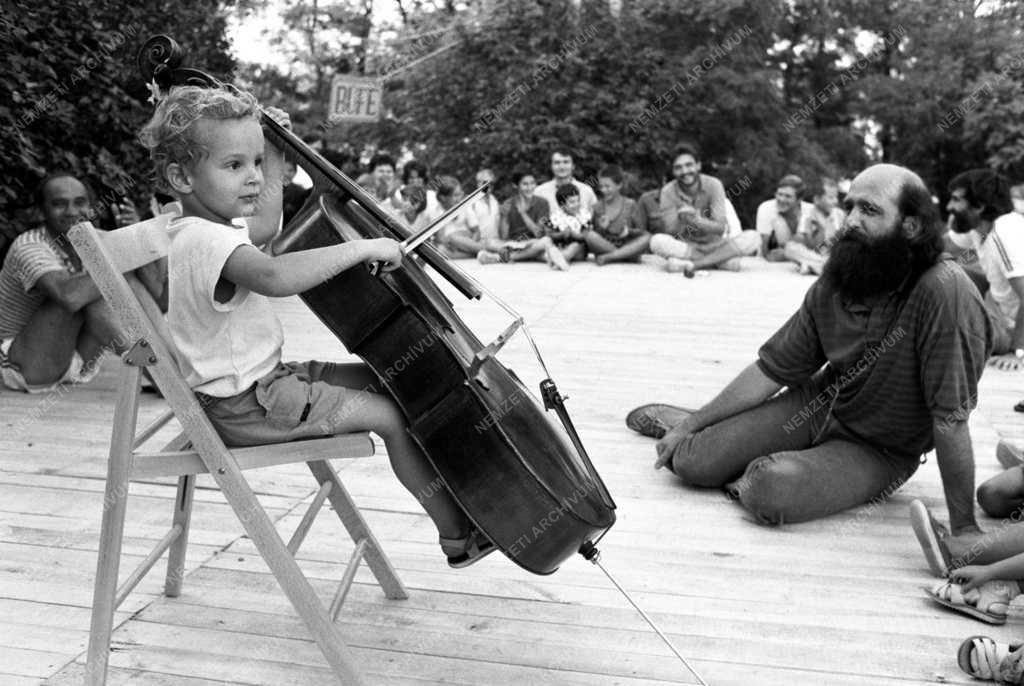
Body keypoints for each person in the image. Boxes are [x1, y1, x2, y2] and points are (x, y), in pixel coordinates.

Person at [137, 84, 493, 568]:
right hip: (245, 407)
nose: (253, 178)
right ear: (181, 176)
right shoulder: (203, 241)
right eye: (234, 165)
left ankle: (467, 488)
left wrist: (280, 153)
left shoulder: (208, 226)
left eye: (256, 162)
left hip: (268, 385)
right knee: (389, 416)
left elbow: (265, 226)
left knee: (394, 379)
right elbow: (275, 275)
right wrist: (363, 248)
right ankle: (457, 535)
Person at [626, 163, 992, 529]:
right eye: (850, 206)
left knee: (770, 489)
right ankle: (695, 423)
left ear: (910, 226)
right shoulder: (845, 275)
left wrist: (964, 529)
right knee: (693, 463)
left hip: (880, 449)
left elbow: (950, 421)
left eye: (869, 210)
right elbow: (771, 370)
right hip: (818, 405)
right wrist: (691, 425)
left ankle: (744, 446)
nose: (850, 221)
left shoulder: (944, 292)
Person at [0, 172, 144, 392]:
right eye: (59, 204)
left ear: (91, 207)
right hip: (22, 367)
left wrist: (138, 236)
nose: (72, 212)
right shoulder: (29, 245)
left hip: (74, 360)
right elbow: (70, 298)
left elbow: (160, 295)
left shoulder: (93, 239)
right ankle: (159, 374)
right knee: (90, 288)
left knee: (118, 277)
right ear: (41, 211)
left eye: (80, 203)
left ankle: (167, 371)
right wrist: (129, 251)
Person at [944, 169, 1024, 369]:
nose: (949, 206)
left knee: (949, 323)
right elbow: (938, 248)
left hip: (1012, 329)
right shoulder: (978, 229)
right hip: (998, 312)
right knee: (945, 270)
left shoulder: (1004, 232)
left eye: (956, 199)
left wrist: (1018, 352)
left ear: (979, 206)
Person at [648, 143, 760, 276]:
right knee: (657, 241)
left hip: (716, 245)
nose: (684, 171)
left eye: (689, 165)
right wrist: (682, 218)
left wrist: (696, 220)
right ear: (673, 171)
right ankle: (719, 261)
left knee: (754, 237)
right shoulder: (668, 191)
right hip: (686, 247)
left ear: (698, 165)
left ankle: (696, 264)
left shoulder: (714, 185)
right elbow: (671, 231)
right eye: (678, 168)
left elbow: (720, 228)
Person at [484, 168, 560, 266]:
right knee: (489, 243)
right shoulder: (508, 203)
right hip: (514, 243)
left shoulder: (543, 203)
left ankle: (502, 257)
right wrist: (504, 217)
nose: (530, 187)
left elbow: (538, 233)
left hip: (533, 242)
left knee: (546, 241)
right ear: (516, 185)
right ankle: (530, 255)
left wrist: (523, 213)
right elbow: (504, 236)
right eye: (525, 184)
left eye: (532, 183)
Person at [586, 165, 648, 265]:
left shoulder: (630, 204)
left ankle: (610, 257)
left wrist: (629, 232)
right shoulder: (597, 207)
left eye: (607, 186)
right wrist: (602, 228)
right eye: (601, 187)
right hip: (605, 247)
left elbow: (642, 231)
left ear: (619, 185)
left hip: (627, 244)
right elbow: (594, 235)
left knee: (647, 238)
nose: (603, 190)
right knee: (589, 235)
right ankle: (624, 256)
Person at [783, 178, 845, 275]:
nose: (835, 201)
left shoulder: (839, 215)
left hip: (833, 253)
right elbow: (803, 240)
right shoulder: (808, 215)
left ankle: (812, 265)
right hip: (814, 252)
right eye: (831, 198)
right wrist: (807, 235)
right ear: (817, 200)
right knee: (790, 248)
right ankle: (820, 265)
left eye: (836, 197)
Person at [430, 175, 494, 262]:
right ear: (443, 198)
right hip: (451, 248)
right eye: (455, 195)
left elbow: (476, 232)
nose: (459, 198)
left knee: (453, 237)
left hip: (468, 240)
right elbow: (440, 238)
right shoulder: (436, 212)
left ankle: (482, 251)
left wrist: (469, 245)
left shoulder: (465, 207)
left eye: (460, 194)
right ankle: (480, 253)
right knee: (440, 250)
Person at [756, 174, 814, 260]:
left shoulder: (810, 210)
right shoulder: (766, 208)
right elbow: (766, 251)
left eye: (788, 196)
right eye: (779, 194)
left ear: (799, 199)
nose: (782, 199)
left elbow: (815, 246)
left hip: (801, 256)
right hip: (771, 261)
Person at [533, 148, 597, 218]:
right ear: (551, 166)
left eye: (566, 162)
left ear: (573, 166)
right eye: (557, 163)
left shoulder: (586, 190)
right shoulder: (539, 192)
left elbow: (594, 220)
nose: (561, 167)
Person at [542, 184, 590, 270]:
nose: (576, 204)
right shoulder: (557, 216)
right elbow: (550, 233)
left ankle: (558, 259)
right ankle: (560, 260)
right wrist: (561, 234)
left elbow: (586, 235)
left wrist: (573, 234)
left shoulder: (583, 215)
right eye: (572, 202)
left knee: (574, 246)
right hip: (561, 246)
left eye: (578, 200)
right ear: (562, 205)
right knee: (548, 242)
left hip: (579, 250)